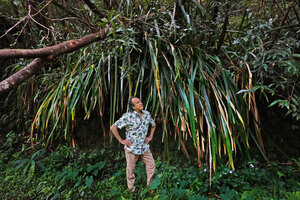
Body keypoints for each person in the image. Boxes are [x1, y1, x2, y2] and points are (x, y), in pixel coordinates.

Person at [110, 96, 156, 192]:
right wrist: (121, 140)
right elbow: (113, 128)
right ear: (133, 107)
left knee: (151, 166)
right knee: (130, 170)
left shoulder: (147, 114)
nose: (141, 103)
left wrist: (150, 136)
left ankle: (151, 188)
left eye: (140, 101)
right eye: (138, 102)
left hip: (144, 147)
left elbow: (153, 125)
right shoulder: (127, 117)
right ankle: (131, 191)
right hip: (132, 148)